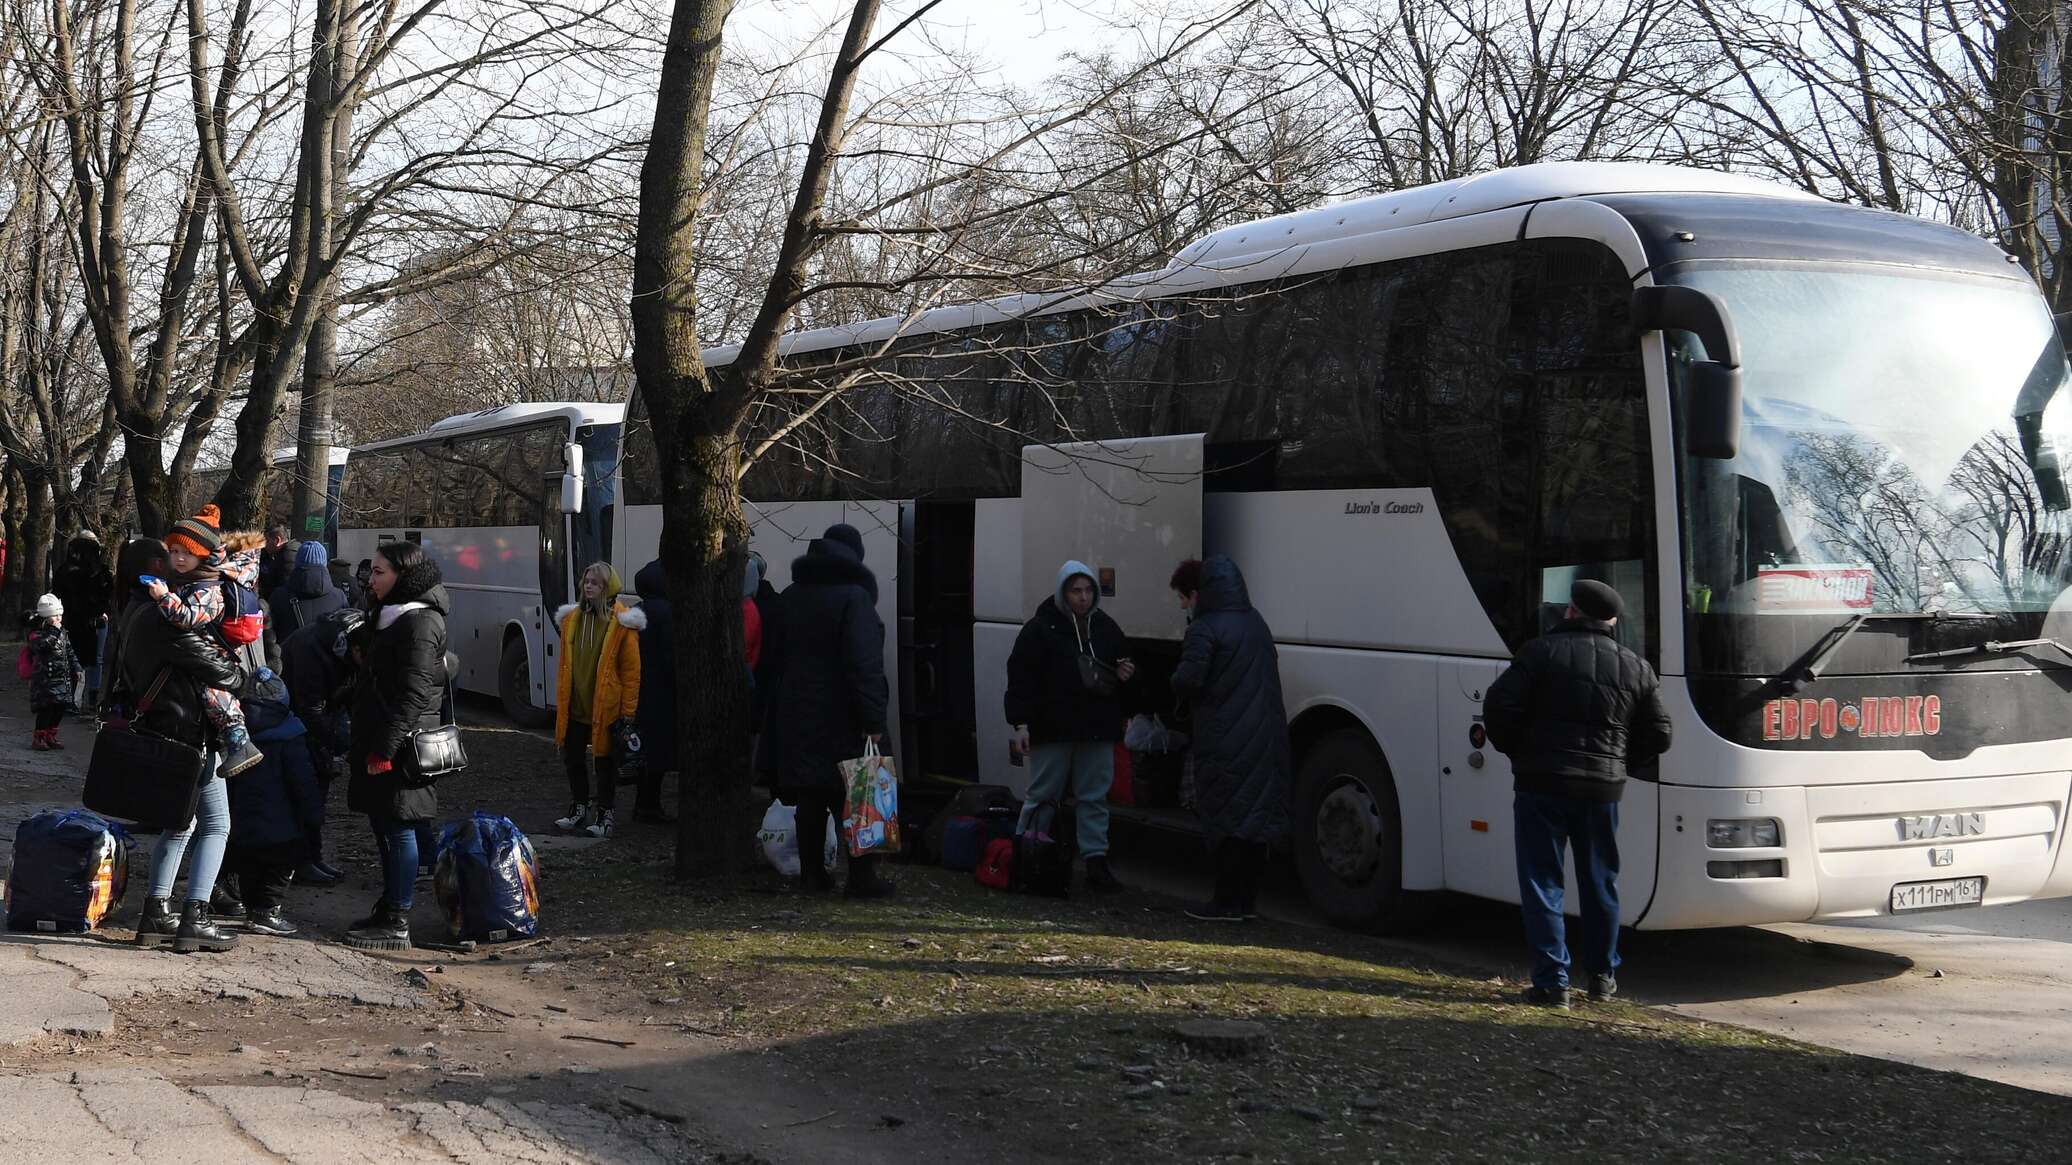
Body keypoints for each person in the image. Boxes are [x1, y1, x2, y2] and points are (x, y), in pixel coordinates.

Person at [1484, 578, 1672, 1009]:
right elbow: (1660, 734)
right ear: (1612, 621)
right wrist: (1621, 763)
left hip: (1541, 784)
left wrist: (1520, 752)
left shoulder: (1538, 653)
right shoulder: (1636, 666)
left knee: (1543, 882)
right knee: (1600, 881)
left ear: (1570, 612)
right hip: (1602, 790)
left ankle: (1552, 983)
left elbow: (1499, 708)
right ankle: (1603, 977)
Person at [110, 538, 246, 953]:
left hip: (161, 727)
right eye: (170, 556)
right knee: (216, 825)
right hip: (190, 733)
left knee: (178, 823)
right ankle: (195, 916)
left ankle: (156, 911)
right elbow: (226, 674)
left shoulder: (132, 609)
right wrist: (239, 673)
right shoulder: (166, 617)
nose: (177, 562)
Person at [759, 524, 893, 897]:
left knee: (811, 798)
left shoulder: (791, 596)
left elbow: (775, 659)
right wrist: (873, 720)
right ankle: (862, 878)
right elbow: (865, 664)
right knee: (860, 792)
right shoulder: (855, 599)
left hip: (798, 715)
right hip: (844, 716)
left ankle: (813, 876)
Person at [1166, 556, 1291, 922]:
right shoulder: (1256, 622)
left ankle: (1224, 902)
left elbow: (1189, 679)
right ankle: (1246, 904)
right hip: (1265, 737)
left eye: (1183, 598)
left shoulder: (1205, 629)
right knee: (1254, 823)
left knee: (1226, 820)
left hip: (1226, 739)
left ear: (1197, 594)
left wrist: (1172, 683)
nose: (1182, 605)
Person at [342, 540, 452, 951]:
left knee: (399, 826)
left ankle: (398, 917)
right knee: (386, 826)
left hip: (402, 746)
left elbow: (415, 692)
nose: (371, 580)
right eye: (372, 571)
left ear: (403, 577)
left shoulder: (420, 622)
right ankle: (389, 908)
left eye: (380, 572)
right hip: (382, 737)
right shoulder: (388, 616)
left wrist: (384, 749)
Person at [1004, 560, 1134, 892]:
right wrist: (1021, 723)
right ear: (1064, 592)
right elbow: (1021, 678)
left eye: (1089, 590)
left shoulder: (1104, 627)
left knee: (1094, 796)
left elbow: (1124, 668)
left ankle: (1094, 860)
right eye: (1076, 591)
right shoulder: (1041, 629)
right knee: (1043, 794)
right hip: (1055, 725)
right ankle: (1029, 855)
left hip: (1093, 725)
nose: (1084, 597)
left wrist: (1126, 677)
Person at [150, 505, 265, 777]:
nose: (178, 558)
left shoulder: (209, 588)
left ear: (202, 554)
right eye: (174, 551)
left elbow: (187, 618)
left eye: (186, 553)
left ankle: (240, 743)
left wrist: (162, 597)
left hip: (215, 654)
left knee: (213, 695)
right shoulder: (191, 580)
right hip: (205, 651)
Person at [223, 671, 324, 935]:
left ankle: (251, 907)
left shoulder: (235, 731)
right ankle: (267, 910)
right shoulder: (291, 735)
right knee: (278, 870)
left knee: (248, 866)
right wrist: (313, 815)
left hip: (242, 818)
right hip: (284, 823)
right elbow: (303, 780)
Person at [551, 562, 643, 839]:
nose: (588, 586)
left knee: (604, 764)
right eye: (586, 581)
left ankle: (605, 814)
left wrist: (628, 713)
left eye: (595, 582)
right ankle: (579, 808)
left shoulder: (621, 623)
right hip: (576, 706)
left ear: (607, 588)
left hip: (606, 708)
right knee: (573, 759)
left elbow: (631, 673)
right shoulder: (572, 619)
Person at [281, 606, 363, 885]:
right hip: (297, 719)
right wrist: (338, 743)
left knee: (317, 792)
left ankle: (312, 856)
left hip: (319, 714)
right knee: (306, 793)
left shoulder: (347, 650)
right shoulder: (310, 650)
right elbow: (309, 707)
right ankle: (302, 860)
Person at [631, 558, 676, 824]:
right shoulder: (668, 614)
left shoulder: (635, 611)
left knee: (644, 751)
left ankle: (643, 803)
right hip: (660, 691)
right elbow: (671, 658)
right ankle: (649, 805)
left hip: (639, 690)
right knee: (658, 752)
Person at [50, 533, 111, 707]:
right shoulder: (94, 572)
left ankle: (81, 697)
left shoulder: (92, 572)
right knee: (84, 659)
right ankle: (82, 696)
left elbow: (106, 595)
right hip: (83, 621)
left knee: (82, 658)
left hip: (83, 620)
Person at [25, 594, 83, 750]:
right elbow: (42, 646)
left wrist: (76, 667)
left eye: (60, 615)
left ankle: (51, 734)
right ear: (46, 616)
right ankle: (39, 736)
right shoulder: (37, 633)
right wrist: (54, 633)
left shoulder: (63, 633)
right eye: (55, 615)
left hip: (62, 677)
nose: (59, 619)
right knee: (46, 708)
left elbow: (70, 652)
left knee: (60, 707)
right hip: (45, 679)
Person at [269, 539, 346, 642]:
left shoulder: (279, 596)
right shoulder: (339, 597)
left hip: (289, 655)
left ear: (297, 563)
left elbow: (270, 635)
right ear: (324, 564)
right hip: (326, 657)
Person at [257, 523, 294, 597]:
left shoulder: (285, 560)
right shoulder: (292, 552)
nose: (264, 545)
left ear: (277, 540)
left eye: (267, 541)